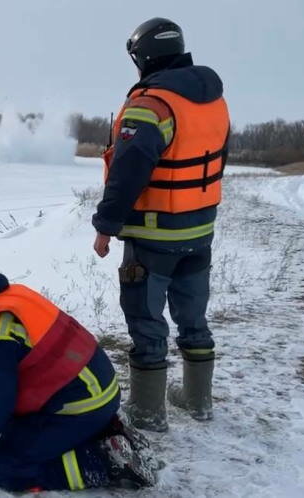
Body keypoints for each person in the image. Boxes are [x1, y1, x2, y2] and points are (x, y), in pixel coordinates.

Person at [92, 17, 230, 432]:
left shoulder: (150, 105)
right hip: (199, 230)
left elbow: (129, 170)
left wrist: (105, 225)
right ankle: (197, 400)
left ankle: (149, 413)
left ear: (144, 56)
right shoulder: (213, 100)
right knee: (193, 316)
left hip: (153, 235)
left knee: (145, 318)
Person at [0, 266, 155, 491]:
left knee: (5, 469)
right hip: (97, 387)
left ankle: (102, 461)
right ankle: (107, 431)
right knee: (12, 431)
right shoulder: (4, 298)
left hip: (79, 404)